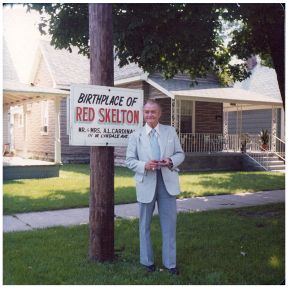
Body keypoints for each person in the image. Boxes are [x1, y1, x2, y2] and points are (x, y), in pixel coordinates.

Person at [126, 99, 185, 275]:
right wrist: (144, 165)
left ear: (160, 114)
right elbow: (129, 160)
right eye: (147, 112)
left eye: (153, 112)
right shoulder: (135, 136)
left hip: (167, 183)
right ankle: (147, 262)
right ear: (143, 114)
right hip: (146, 183)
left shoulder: (170, 131)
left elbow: (180, 153)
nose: (150, 115)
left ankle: (170, 264)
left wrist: (171, 161)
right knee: (144, 225)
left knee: (169, 225)